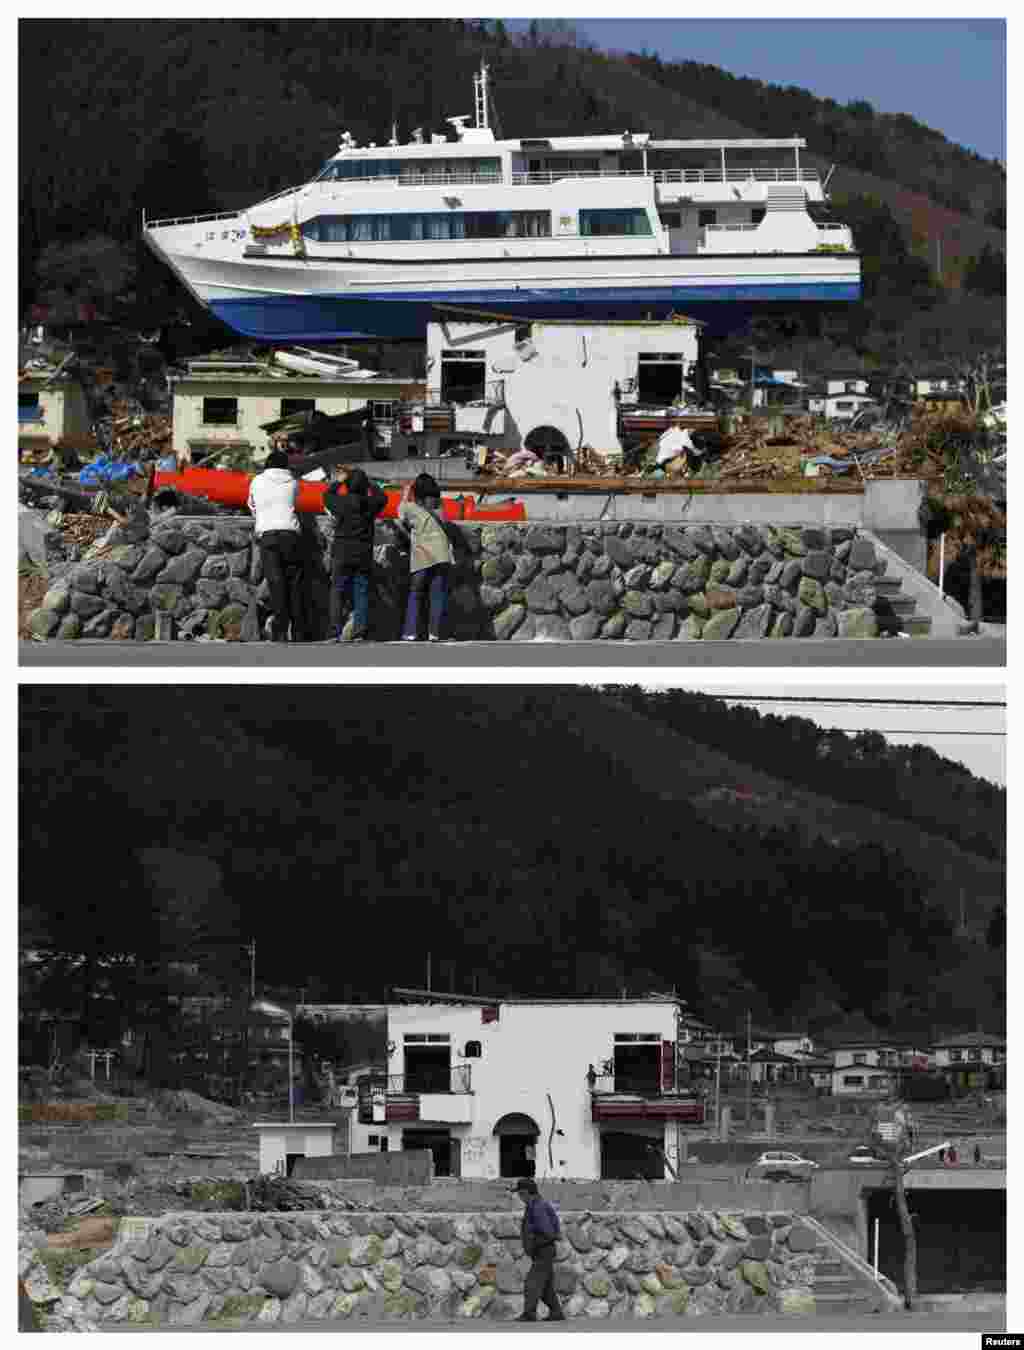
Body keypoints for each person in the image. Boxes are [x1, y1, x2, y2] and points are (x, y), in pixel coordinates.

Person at [248, 449, 308, 642]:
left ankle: (280, 631)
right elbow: (297, 504)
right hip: (290, 535)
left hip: (268, 536)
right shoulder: (293, 482)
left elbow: (251, 504)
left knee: (276, 584)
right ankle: (299, 631)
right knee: (295, 584)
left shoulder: (257, 481)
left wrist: (261, 519)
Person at [322, 467, 387, 641]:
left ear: (348, 486)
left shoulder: (340, 502)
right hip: (363, 553)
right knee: (361, 591)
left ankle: (334, 632)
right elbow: (383, 497)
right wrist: (372, 484)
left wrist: (339, 481)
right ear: (364, 486)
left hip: (342, 551)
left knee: (337, 591)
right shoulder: (371, 503)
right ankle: (359, 633)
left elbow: (326, 495)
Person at [398, 472, 454, 642]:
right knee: (437, 594)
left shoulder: (410, 508)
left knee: (416, 593)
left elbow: (399, 514)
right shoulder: (440, 508)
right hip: (442, 554)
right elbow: (446, 524)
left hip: (422, 555)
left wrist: (406, 493)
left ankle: (411, 632)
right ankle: (434, 633)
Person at [512, 1178, 565, 1322]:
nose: (519, 1197)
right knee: (545, 1287)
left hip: (544, 1251)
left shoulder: (538, 1207)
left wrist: (535, 1244)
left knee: (532, 1283)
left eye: (520, 1194)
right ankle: (556, 1312)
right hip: (542, 1251)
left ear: (525, 1193)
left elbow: (547, 1231)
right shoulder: (534, 1205)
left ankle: (529, 1314)